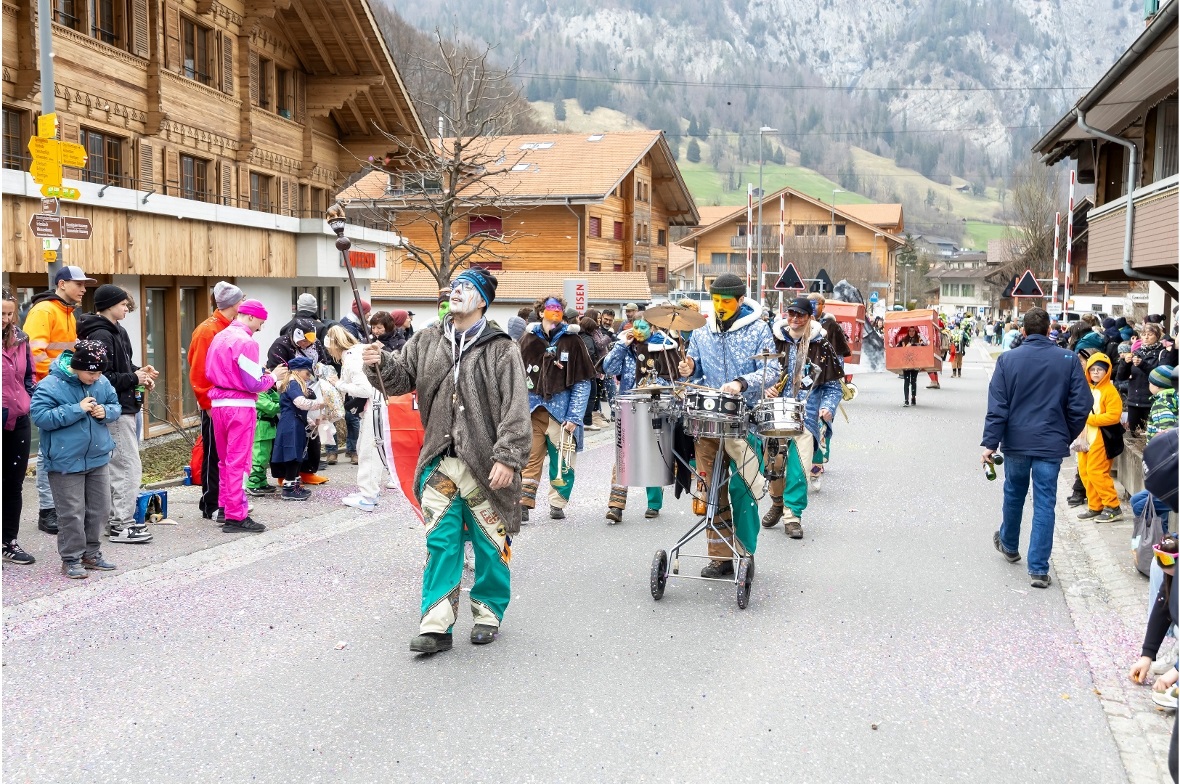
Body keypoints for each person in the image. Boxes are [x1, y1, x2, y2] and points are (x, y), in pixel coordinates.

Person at [363, 268, 531, 654]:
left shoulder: (502, 348)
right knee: (441, 541)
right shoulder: (425, 340)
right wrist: (378, 363)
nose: (456, 292)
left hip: (486, 462)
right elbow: (399, 381)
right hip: (440, 460)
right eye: (454, 286)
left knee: (491, 543)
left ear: (482, 300)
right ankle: (436, 625)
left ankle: (488, 613)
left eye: (466, 288)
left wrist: (507, 457)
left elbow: (516, 409)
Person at [678, 274, 779, 577]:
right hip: (708, 422)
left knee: (741, 486)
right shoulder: (701, 332)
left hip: (745, 422)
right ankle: (720, 556)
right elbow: (693, 373)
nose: (720, 306)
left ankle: (746, 552)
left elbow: (772, 368)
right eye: (716, 300)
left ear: (739, 300)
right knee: (712, 488)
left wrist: (741, 383)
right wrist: (689, 368)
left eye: (726, 301)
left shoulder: (759, 329)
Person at [983, 307, 1091, 589]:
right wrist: (1065, 432)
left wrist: (989, 443)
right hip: (1050, 443)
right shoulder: (1067, 359)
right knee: (1045, 503)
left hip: (1017, 442)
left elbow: (998, 407)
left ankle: (1008, 543)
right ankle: (1039, 569)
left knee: (1014, 493)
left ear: (1023, 331)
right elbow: (1082, 403)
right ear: (1049, 330)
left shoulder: (1008, 360)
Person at [30, 340, 121, 579]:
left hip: (97, 456)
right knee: (71, 513)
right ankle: (71, 559)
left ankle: (91, 553)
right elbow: (40, 417)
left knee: (100, 509)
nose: (96, 377)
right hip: (64, 460)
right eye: (91, 372)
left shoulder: (101, 381)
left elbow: (115, 404)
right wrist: (76, 409)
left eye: (100, 372)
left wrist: (106, 412)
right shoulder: (51, 384)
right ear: (76, 365)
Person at [76, 285, 159, 544]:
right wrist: (133, 377)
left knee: (120, 466)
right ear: (110, 304)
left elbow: (122, 368)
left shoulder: (118, 331)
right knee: (126, 466)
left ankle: (115, 521)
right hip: (115, 409)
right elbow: (101, 377)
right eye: (123, 304)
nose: (127, 308)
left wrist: (140, 373)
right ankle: (121, 524)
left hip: (126, 405)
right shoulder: (101, 334)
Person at [761, 297, 843, 537]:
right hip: (774, 414)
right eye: (791, 314)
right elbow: (759, 374)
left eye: (801, 315)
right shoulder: (772, 341)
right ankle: (777, 502)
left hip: (805, 416)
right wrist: (766, 387)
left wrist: (827, 407)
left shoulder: (822, 346)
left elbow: (833, 387)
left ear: (810, 318)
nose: (795, 319)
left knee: (798, 469)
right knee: (773, 466)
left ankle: (793, 515)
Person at [24, 265, 95, 536]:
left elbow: (65, 352)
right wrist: (54, 381)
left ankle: (58, 507)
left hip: (62, 386)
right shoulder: (44, 311)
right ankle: (47, 510)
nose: (84, 289)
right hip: (50, 387)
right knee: (48, 451)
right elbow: (35, 353)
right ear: (62, 284)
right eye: (79, 284)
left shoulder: (66, 313)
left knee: (58, 448)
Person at [206, 300, 285, 532]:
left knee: (224, 461)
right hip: (240, 406)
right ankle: (236, 516)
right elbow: (253, 383)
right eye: (260, 322)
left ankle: (224, 508)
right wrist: (274, 378)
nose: (260, 327)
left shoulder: (219, 336)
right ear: (251, 317)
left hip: (219, 404)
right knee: (238, 463)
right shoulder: (246, 341)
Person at [518, 296, 595, 521]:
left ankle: (557, 503)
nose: (555, 312)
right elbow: (515, 377)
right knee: (529, 458)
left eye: (559, 309)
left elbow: (583, 382)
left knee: (563, 460)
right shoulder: (527, 339)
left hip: (562, 413)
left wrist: (574, 416)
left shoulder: (573, 341)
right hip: (532, 411)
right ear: (541, 313)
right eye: (551, 309)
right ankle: (524, 501)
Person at [602, 316, 679, 523]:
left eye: (642, 326)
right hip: (628, 407)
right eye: (634, 326)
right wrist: (620, 346)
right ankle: (616, 506)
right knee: (623, 455)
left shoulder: (662, 347)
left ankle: (653, 503)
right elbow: (608, 369)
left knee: (653, 453)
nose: (637, 329)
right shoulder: (625, 347)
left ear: (652, 327)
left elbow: (673, 380)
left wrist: (651, 383)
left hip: (654, 407)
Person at [188, 281, 244, 521]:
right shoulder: (208, 330)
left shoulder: (228, 327)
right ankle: (211, 503)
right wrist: (207, 403)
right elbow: (198, 370)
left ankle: (227, 501)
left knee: (229, 454)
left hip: (229, 401)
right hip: (215, 402)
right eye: (242, 300)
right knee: (214, 454)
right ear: (233, 303)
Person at [1129, 535, 1179, 781]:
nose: (1162, 564)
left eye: (1167, 561)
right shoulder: (1172, 572)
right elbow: (1163, 606)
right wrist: (1147, 655)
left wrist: (1176, 672)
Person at [325, 325, 385, 512]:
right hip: (378, 405)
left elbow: (365, 389)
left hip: (374, 406)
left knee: (368, 451)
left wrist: (339, 384)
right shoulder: (358, 350)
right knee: (366, 448)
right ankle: (370, 492)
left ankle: (368, 496)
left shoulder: (351, 358)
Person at [266, 319, 329, 485]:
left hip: (312, 390)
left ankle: (307, 471)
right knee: (287, 441)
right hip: (289, 392)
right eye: (304, 340)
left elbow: (323, 362)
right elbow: (277, 372)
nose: (307, 344)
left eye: (310, 341)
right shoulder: (281, 345)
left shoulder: (315, 344)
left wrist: (322, 372)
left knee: (311, 434)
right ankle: (285, 475)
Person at [2, 288, 36, 564]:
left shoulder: (20, 339)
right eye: (1, 313)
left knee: (13, 483)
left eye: (10, 313)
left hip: (18, 419)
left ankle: (8, 542)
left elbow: (28, 376)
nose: (6, 319)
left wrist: (30, 400)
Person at [1076, 352, 1125, 523]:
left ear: (1107, 371)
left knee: (1097, 471)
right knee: (1084, 471)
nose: (1096, 373)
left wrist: (1089, 418)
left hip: (1102, 438)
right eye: (1093, 369)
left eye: (1100, 370)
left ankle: (1112, 506)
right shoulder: (1086, 388)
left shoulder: (1110, 392)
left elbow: (1113, 416)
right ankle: (1095, 505)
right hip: (1085, 437)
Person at [270, 356, 321, 502]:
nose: (308, 377)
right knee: (292, 454)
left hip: (294, 421)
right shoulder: (293, 383)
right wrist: (320, 404)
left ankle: (294, 485)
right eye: (306, 373)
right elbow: (300, 403)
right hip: (291, 423)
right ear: (298, 371)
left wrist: (309, 421)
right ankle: (289, 489)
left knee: (297, 453)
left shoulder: (293, 383)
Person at [1117, 322, 1166, 436]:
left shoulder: (1162, 353)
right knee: (1134, 435)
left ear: (1157, 336)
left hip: (1151, 401)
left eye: (1150, 334)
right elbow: (1121, 377)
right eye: (1143, 334)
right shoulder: (1136, 352)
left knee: (1151, 436)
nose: (1146, 337)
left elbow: (1160, 376)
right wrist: (1125, 363)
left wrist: (1143, 364)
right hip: (1134, 400)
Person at [245, 386, 281, 497]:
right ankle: (252, 483)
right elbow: (271, 408)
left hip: (267, 428)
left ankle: (261, 482)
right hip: (260, 428)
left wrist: (271, 392)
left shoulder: (264, 392)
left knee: (264, 457)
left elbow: (277, 401)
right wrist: (287, 404)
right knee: (259, 456)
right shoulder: (256, 393)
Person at [895, 326, 925, 407]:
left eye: (913, 331)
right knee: (906, 381)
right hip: (906, 363)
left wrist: (916, 345)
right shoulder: (904, 340)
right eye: (910, 331)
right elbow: (897, 347)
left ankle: (913, 397)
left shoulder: (919, 339)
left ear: (915, 332)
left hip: (915, 363)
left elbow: (924, 346)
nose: (911, 332)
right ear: (908, 332)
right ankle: (906, 399)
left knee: (913, 381)